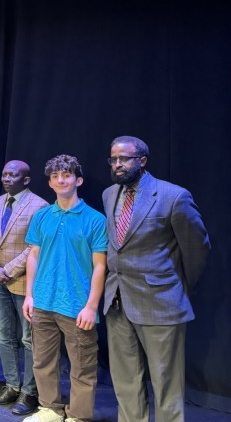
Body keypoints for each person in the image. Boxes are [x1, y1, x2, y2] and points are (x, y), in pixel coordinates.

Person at [102, 136, 210, 422]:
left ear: (142, 160)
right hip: (117, 300)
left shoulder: (173, 196)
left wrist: (177, 287)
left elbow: (197, 248)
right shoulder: (109, 194)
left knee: (166, 383)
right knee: (125, 379)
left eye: (124, 159)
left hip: (161, 302)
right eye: (113, 159)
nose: (117, 165)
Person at [22, 154, 107, 422]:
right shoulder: (42, 216)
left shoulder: (94, 219)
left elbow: (100, 266)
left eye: (67, 174)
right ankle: (50, 408)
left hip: (76, 304)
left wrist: (91, 306)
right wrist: (29, 295)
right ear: (49, 182)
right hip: (43, 301)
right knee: (42, 361)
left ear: (77, 180)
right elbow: (33, 256)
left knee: (82, 365)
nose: (61, 179)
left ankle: (78, 416)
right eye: (56, 176)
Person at [0, 160, 48, 415]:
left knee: (28, 338)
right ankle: (11, 385)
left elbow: (35, 247)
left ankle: (29, 392)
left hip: (21, 280)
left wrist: (8, 270)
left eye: (13, 175)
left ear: (26, 179)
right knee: (3, 334)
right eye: (4, 174)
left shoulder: (39, 206)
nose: (7, 178)